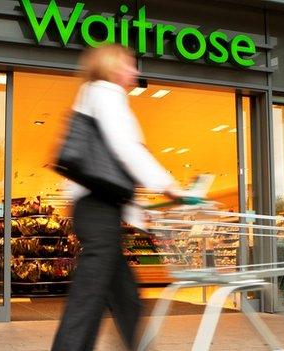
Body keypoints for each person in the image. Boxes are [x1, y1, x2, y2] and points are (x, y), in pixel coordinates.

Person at [52, 44, 182, 351]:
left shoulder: (95, 93)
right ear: (112, 66)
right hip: (98, 208)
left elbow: (115, 164)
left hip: (100, 208)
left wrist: (139, 212)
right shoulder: (105, 92)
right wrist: (169, 185)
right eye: (129, 64)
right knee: (89, 296)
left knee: (125, 296)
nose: (135, 71)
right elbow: (125, 149)